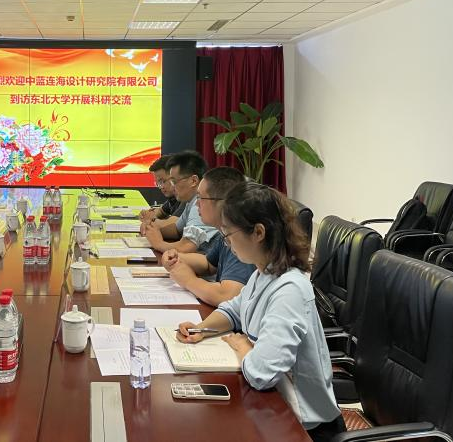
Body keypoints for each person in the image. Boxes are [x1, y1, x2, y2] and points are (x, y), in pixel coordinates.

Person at [177, 183, 345, 442]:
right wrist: (203, 329)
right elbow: (234, 310)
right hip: (272, 410)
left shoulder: (290, 290)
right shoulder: (263, 273)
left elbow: (261, 373)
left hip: (305, 428)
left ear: (258, 232)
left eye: (228, 234)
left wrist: (243, 345)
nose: (227, 243)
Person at [162, 167, 254, 306]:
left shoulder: (241, 238)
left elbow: (227, 296)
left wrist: (189, 281)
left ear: (223, 201)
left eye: (200, 197)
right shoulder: (223, 232)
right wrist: (176, 257)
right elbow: (209, 264)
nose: (197, 203)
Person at [142, 150, 215, 253]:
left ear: (193, 181)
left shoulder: (201, 203)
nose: (173, 186)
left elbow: (187, 247)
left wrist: (158, 243)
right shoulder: (191, 201)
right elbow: (176, 230)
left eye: (174, 181)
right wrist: (151, 228)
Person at [138, 155, 184, 226]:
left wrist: (151, 220)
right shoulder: (173, 199)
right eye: (158, 183)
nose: (161, 187)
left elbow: (173, 225)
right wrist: (148, 214)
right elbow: (161, 211)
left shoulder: (186, 198)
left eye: (162, 181)